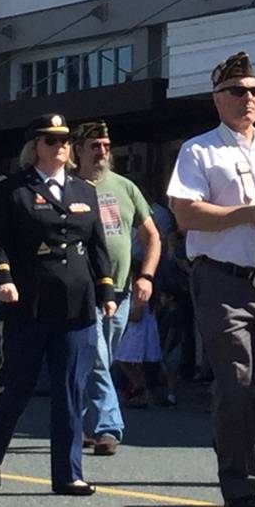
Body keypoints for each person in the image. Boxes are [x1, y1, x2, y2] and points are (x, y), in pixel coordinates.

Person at [166, 52, 255, 507]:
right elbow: (185, 214)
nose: (248, 98)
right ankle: (240, 487)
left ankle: (235, 440)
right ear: (217, 99)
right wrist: (249, 214)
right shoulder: (200, 149)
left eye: (254, 91)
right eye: (237, 91)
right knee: (236, 380)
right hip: (223, 278)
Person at [0, 115, 116, 496]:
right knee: (17, 386)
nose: (60, 148)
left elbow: (98, 247)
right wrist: (2, 278)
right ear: (35, 146)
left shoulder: (84, 191)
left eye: (65, 141)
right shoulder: (13, 189)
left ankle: (68, 473)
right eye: (51, 141)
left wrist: (106, 291)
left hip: (77, 303)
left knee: (70, 388)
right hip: (29, 302)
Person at [74, 119, 160, 460]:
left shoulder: (125, 187)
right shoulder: (67, 186)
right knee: (95, 353)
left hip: (122, 289)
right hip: (83, 290)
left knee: (98, 359)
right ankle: (110, 426)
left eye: (107, 145)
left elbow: (152, 235)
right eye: (95, 146)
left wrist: (147, 276)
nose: (103, 151)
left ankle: (76, 423)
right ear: (78, 149)